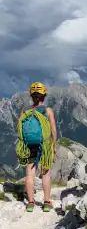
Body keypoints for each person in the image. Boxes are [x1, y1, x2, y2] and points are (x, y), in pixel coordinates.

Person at [16, 82, 57, 212]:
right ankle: (46, 202)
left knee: (29, 174)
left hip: (29, 145)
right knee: (46, 173)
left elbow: (21, 130)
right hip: (44, 145)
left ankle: (30, 203)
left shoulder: (25, 111)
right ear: (43, 96)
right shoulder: (47, 111)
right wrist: (53, 146)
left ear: (32, 96)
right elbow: (53, 131)